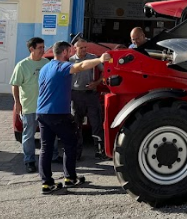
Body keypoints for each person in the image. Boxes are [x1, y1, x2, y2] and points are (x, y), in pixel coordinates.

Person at [37, 41, 111, 194]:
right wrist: (100, 59)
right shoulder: (62, 66)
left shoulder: (45, 67)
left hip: (42, 112)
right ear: (65, 52)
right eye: (69, 51)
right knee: (71, 143)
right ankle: (70, 178)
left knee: (46, 148)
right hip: (58, 113)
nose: (71, 54)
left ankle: (46, 183)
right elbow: (81, 66)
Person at [9, 37, 59, 173]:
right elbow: (15, 85)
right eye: (40, 48)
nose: (43, 50)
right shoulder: (22, 65)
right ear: (31, 49)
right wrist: (17, 103)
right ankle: (29, 160)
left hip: (46, 106)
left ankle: (54, 156)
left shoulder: (46, 63)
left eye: (43, 47)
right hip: (29, 106)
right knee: (29, 135)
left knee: (50, 133)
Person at [69, 39, 105, 160]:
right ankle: (77, 153)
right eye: (81, 48)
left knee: (96, 123)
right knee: (76, 125)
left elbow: (105, 71)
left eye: (85, 47)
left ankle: (100, 151)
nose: (84, 50)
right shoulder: (70, 61)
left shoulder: (93, 58)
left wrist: (96, 82)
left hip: (91, 95)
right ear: (75, 48)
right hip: (75, 95)